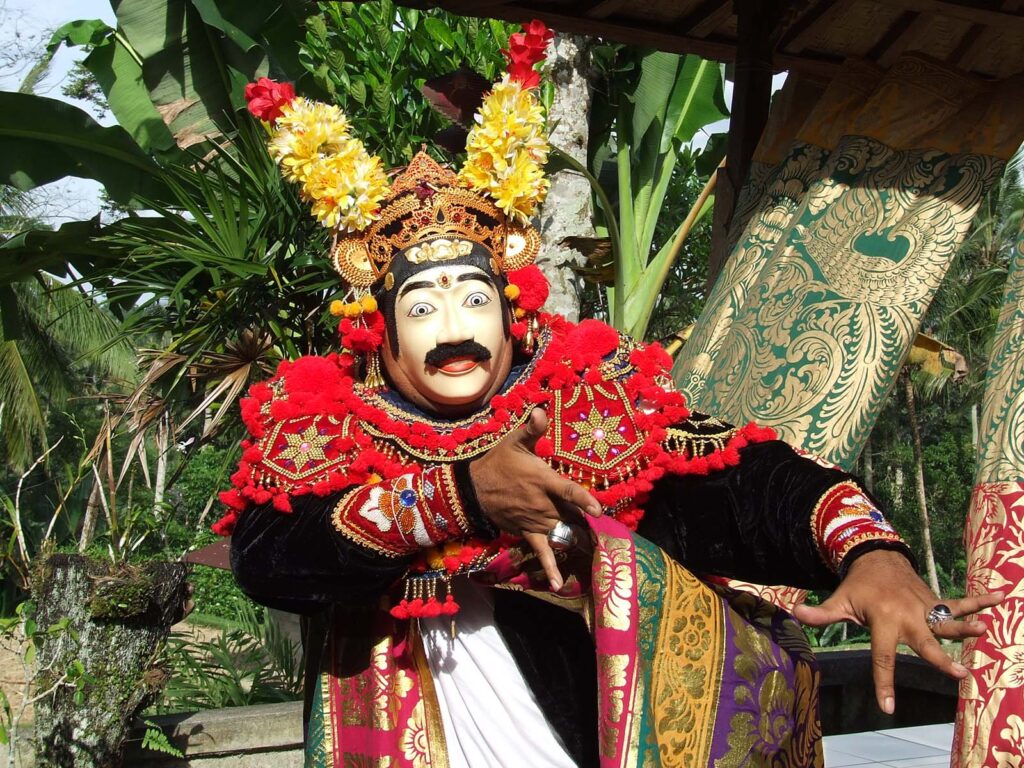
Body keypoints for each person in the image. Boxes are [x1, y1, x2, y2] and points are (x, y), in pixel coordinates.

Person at [218, 24, 1001, 768]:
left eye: (474, 298)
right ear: (378, 327)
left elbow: (747, 483)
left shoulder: (587, 409)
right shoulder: (332, 426)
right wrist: (462, 496)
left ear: (512, 305)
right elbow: (271, 558)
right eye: (422, 307)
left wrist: (871, 554)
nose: (455, 328)